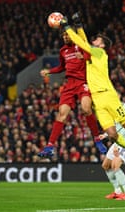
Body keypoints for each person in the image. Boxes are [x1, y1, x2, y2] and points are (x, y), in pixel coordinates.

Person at [59, 13, 125, 158]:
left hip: (108, 95)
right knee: (112, 134)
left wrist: (67, 26)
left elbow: (81, 43)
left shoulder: (100, 52)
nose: (95, 40)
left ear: (102, 44)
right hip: (97, 100)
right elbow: (84, 41)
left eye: (97, 39)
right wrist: (78, 25)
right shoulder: (90, 54)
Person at [38, 30, 107, 158]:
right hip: (69, 84)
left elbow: (89, 57)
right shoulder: (63, 50)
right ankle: (49, 146)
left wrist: (84, 57)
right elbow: (61, 67)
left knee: (86, 109)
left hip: (83, 82)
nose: (65, 37)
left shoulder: (81, 45)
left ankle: (97, 139)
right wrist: (49, 71)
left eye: (67, 35)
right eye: (63, 36)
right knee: (61, 115)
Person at [102, 97, 125, 200]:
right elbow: (115, 126)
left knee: (115, 165)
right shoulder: (113, 110)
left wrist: (120, 144)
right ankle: (117, 191)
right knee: (106, 165)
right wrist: (105, 134)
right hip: (117, 141)